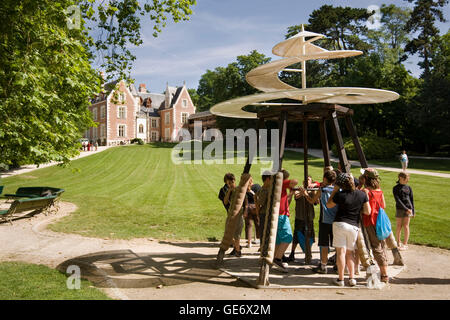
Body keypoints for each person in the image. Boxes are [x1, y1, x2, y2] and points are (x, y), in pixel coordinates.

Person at [327, 172, 370, 287]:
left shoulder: (340, 195)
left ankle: (341, 279)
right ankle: (352, 278)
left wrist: (335, 191)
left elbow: (329, 205)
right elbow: (367, 211)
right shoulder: (362, 195)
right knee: (350, 253)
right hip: (353, 225)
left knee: (340, 252)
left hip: (340, 223)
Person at [361, 168, 390, 283]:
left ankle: (384, 274)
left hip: (370, 221)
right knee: (382, 246)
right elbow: (383, 205)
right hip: (379, 221)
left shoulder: (366, 191)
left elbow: (366, 209)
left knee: (375, 247)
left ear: (366, 178)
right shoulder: (379, 190)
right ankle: (384, 269)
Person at [310, 170, 338, 274]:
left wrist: (305, 194)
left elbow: (312, 201)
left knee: (324, 244)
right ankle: (338, 265)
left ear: (325, 179)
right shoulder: (337, 190)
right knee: (337, 244)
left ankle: (323, 265)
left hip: (324, 220)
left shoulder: (322, 190)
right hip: (336, 220)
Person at [272, 169, 298, 272]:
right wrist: (289, 183)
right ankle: (278, 259)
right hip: (281, 216)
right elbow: (295, 181)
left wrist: (290, 193)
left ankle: (274, 258)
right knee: (288, 237)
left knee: (278, 240)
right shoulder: (281, 183)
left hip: (278, 215)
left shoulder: (278, 186)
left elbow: (285, 200)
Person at [289, 176, 317, 264]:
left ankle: (308, 253)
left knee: (310, 235)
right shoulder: (298, 189)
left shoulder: (312, 190)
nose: (306, 181)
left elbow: (316, 202)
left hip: (309, 217)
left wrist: (308, 192)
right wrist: (303, 192)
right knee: (296, 236)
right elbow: (296, 197)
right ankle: (292, 253)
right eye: (305, 180)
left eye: (308, 180)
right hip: (300, 216)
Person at [218, 173, 243, 257]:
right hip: (230, 213)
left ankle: (237, 250)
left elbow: (245, 200)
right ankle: (237, 247)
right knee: (228, 232)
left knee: (237, 233)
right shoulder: (225, 190)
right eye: (229, 183)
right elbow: (225, 201)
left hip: (238, 214)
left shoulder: (239, 189)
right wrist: (229, 191)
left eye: (232, 181)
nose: (231, 184)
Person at [393, 172, 414, 250]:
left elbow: (411, 200)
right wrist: (406, 209)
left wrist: (412, 210)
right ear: (401, 178)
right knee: (399, 226)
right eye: (406, 179)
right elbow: (398, 200)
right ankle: (398, 242)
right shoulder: (396, 188)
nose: (407, 180)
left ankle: (405, 244)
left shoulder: (408, 188)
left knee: (406, 226)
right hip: (400, 209)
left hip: (408, 209)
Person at [256, 172, 272, 244]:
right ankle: (263, 247)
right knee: (264, 231)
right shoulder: (264, 190)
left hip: (267, 213)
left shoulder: (266, 189)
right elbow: (260, 203)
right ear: (268, 179)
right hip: (264, 213)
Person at [244, 179, 260, 248]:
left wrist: (245, 210)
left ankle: (249, 242)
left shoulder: (244, 189)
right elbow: (259, 197)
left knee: (249, 225)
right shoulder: (257, 186)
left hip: (248, 208)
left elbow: (245, 201)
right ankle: (260, 241)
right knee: (258, 225)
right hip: (255, 207)